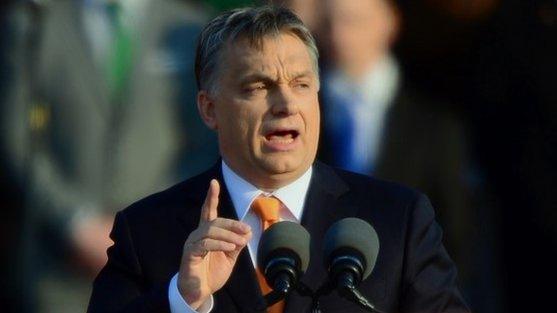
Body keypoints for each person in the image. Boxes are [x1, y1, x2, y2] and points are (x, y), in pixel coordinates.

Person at [88, 6, 470, 313]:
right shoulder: (147, 232)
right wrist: (182, 299)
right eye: (259, 87)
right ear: (209, 109)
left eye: (301, 85)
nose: (286, 105)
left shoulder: (398, 220)